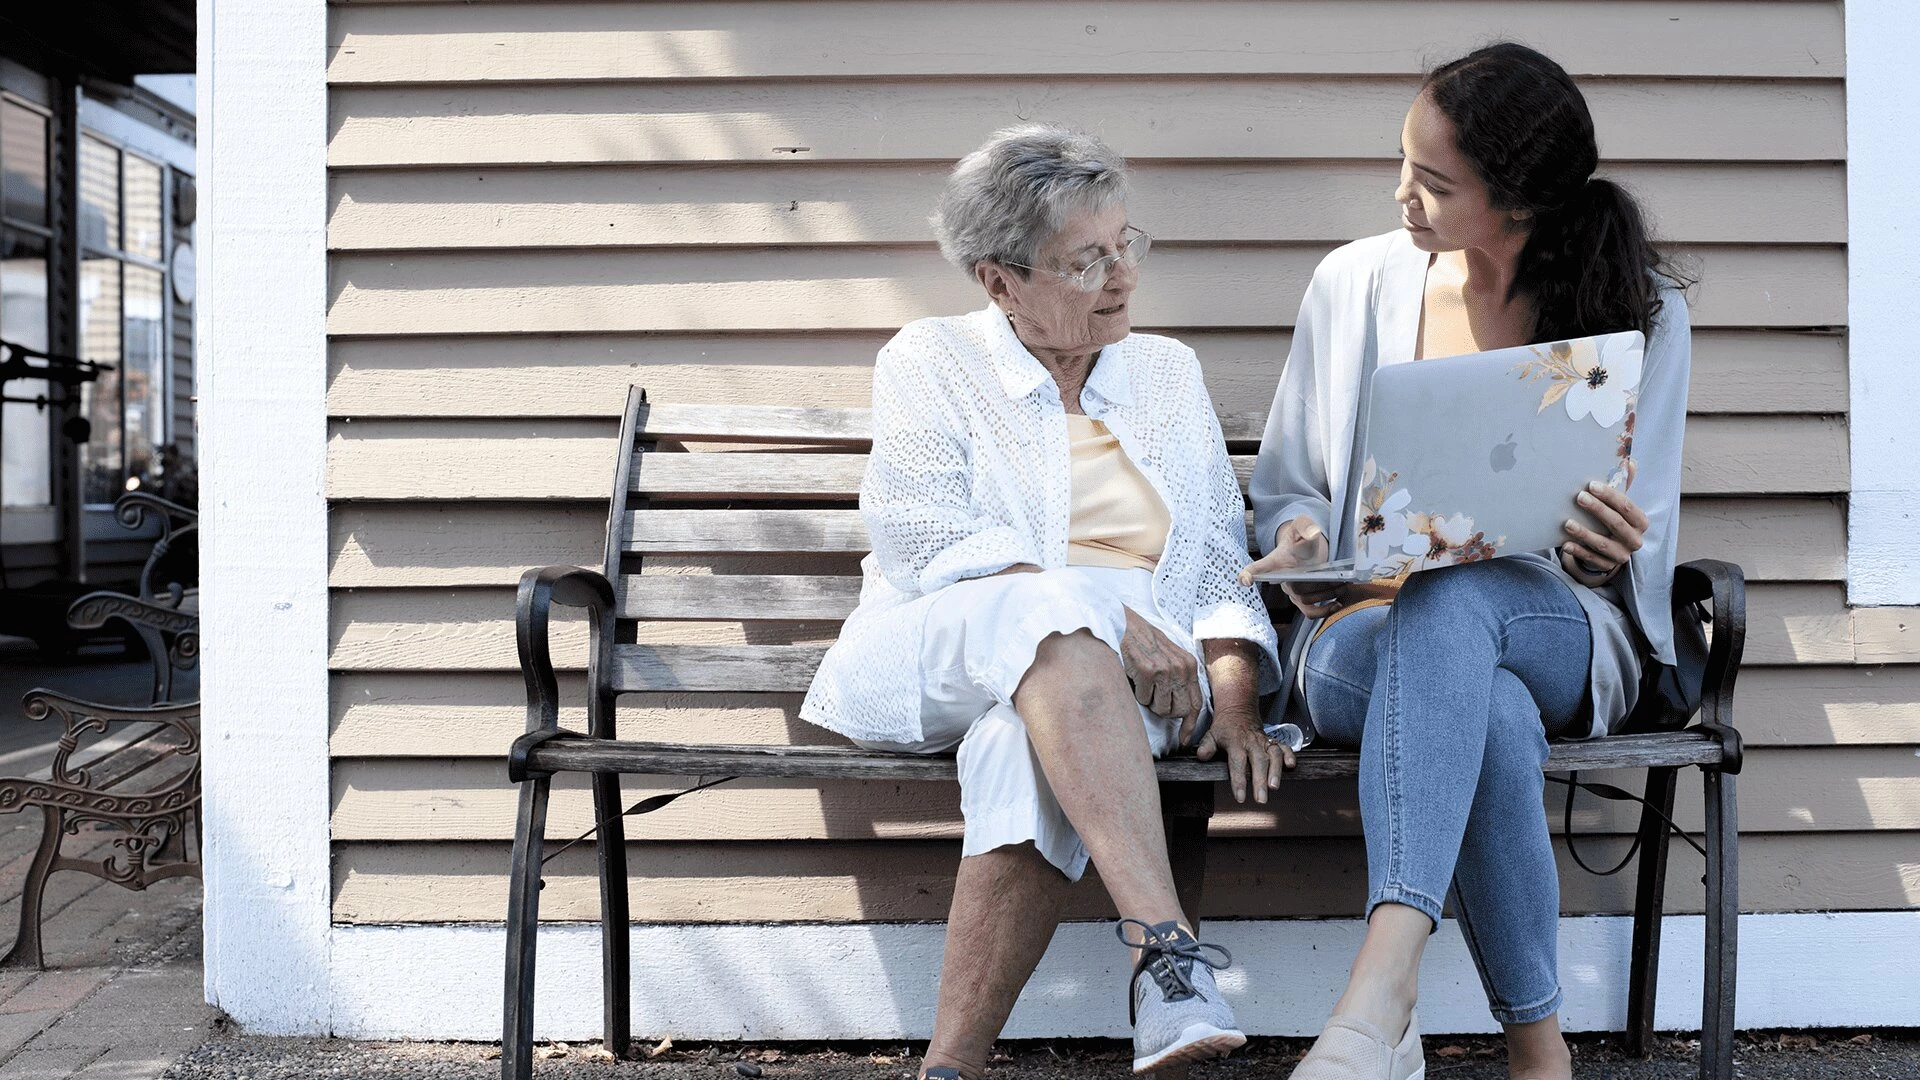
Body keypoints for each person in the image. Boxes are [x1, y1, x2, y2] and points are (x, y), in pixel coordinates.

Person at [1240, 43, 1693, 1080]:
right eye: (1402, 164)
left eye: (1436, 184)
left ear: (1520, 199)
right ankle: (1539, 1053)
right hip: (1360, 632)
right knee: (1478, 695)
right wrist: (1303, 541)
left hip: (1561, 624)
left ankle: (1377, 993)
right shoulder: (1355, 283)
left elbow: (1643, 519)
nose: (1404, 195)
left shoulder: (1642, 307)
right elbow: (1292, 488)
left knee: (1467, 595)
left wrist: (1602, 545)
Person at [800, 123, 1286, 1078]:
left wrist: (1235, 698)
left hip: (1112, 696)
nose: (1121, 278)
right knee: (1049, 618)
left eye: (1125, 245)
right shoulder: (930, 361)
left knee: (1025, 744)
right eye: (1084, 262)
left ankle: (950, 1066)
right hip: (936, 643)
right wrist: (1101, 614)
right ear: (1000, 280)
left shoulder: (1164, 373)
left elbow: (1219, 556)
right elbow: (925, 535)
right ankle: (1166, 953)